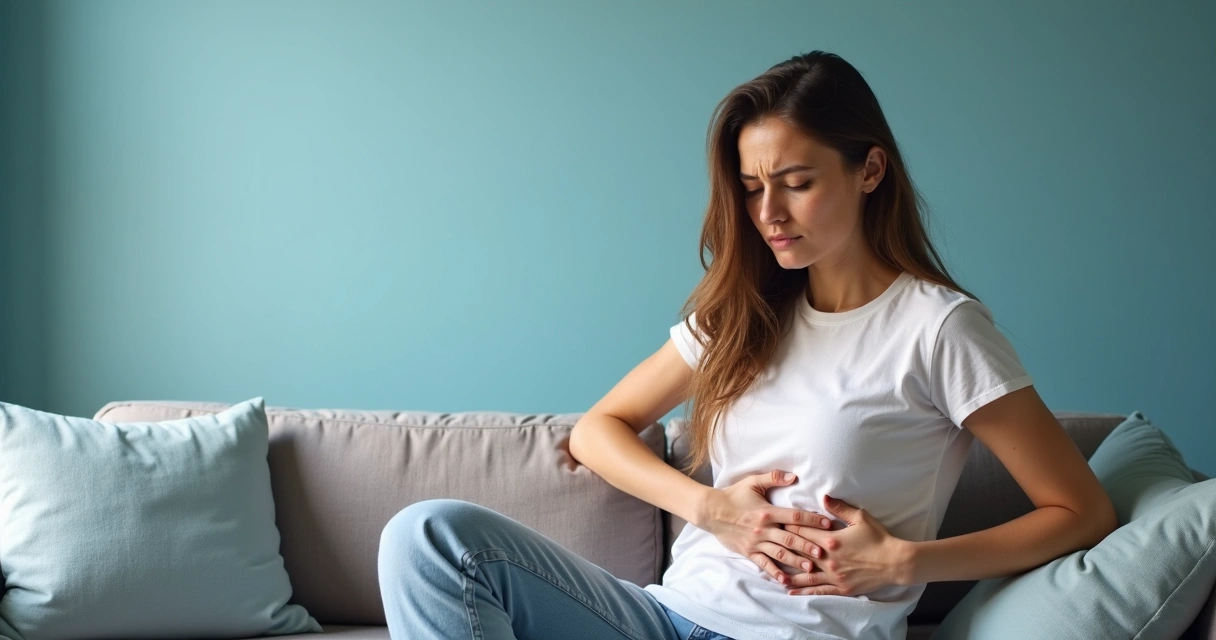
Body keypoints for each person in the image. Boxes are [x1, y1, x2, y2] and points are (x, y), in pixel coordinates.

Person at [376, 50, 1118, 640]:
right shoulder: (744, 312)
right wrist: (713, 510)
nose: (768, 213)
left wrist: (905, 560)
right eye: (752, 186)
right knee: (429, 536)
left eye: (796, 183)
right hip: (663, 618)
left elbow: (1080, 511)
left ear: (870, 169)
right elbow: (596, 434)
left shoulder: (939, 328)